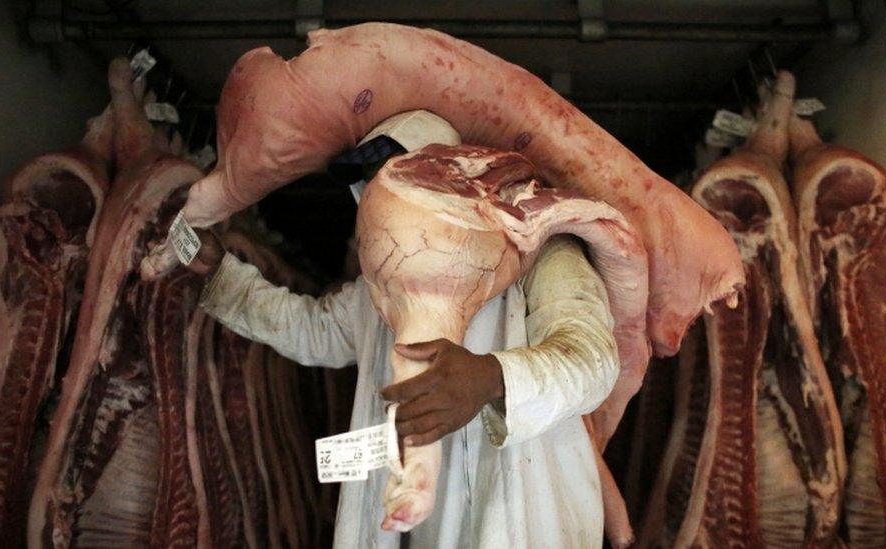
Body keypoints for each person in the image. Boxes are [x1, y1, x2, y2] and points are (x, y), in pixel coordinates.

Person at [188, 111, 620, 548]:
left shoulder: (540, 256)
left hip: (524, 514)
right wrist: (220, 274)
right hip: (423, 527)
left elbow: (592, 359)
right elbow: (313, 330)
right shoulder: (375, 292)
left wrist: (492, 378)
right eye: (374, 183)